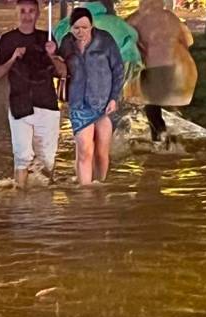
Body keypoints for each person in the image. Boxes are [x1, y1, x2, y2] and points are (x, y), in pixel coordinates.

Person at [0, 0, 66, 188]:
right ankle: (22, 202)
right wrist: (12, 58)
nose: (27, 15)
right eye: (23, 11)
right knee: (22, 156)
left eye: (31, 11)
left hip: (47, 104)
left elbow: (63, 72)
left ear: (38, 13)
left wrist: (52, 54)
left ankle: (44, 203)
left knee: (47, 158)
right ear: (17, 13)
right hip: (20, 104)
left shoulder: (46, 38)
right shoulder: (8, 40)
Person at [58, 8, 124, 185]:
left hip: (104, 103)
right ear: (71, 27)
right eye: (77, 28)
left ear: (92, 25)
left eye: (85, 27)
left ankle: (99, 185)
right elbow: (59, 69)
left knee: (101, 152)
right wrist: (52, 55)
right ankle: (85, 193)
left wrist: (114, 98)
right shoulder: (66, 43)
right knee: (85, 151)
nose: (81, 32)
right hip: (79, 104)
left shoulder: (105, 40)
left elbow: (118, 69)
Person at [127, 0, 198, 142]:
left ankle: (161, 140)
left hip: (150, 67)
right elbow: (187, 41)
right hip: (172, 66)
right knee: (161, 102)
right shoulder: (170, 17)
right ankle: (168, 137)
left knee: (151, 106)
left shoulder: (136, 18)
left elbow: (124, 38)